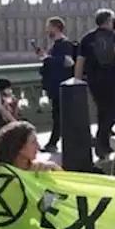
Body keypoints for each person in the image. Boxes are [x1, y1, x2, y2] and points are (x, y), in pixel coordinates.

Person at [75, 8, 115, 159]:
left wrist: (77, 81)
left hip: (93, 80)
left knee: (102, 111)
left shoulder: (87, 38)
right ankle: (101, 140)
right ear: (109, 21)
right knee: (114, 112)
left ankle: (103, 143)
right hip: (112, 79)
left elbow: (80, 61)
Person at [38, 17, 76, 152]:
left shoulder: (64, 44)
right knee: (62, 115)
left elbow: (69, 62)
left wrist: (49, 58)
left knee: (60, 115)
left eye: (48, 27)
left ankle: (53, 143)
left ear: (55, 27)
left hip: (62, 84)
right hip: (55, 85)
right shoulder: (54, 44)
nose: (46, 30)